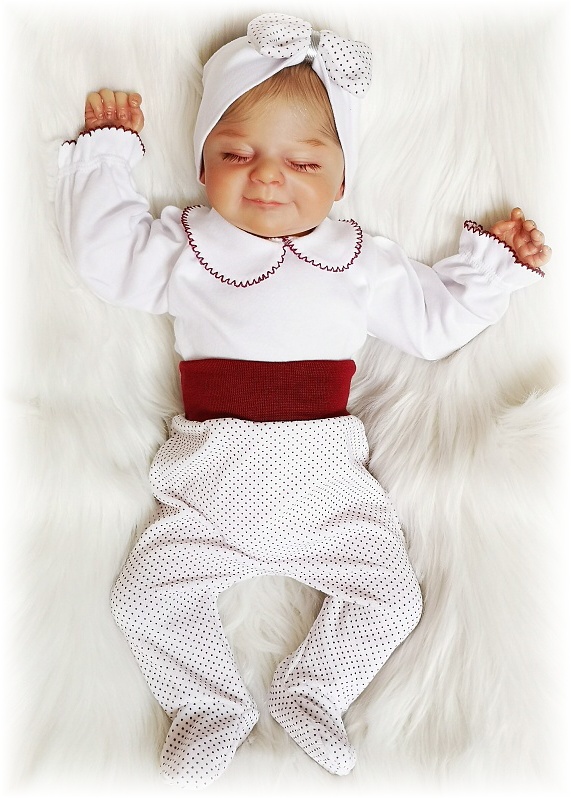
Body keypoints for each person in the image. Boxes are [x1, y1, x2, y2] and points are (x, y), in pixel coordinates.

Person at [55, 12, 551, 791]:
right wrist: (107, 156)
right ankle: (206, 701)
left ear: (340, 181)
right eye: (236, 154)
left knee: (391, 599)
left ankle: (314, 687)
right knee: (142, 599)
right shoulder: (187, 247)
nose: (266, 176)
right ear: (202, 163)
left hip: (328, 491)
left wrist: (490, 269)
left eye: (302, 161)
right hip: (210, 486)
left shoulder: (356, 259)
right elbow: (105, 255)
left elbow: (432, 323)